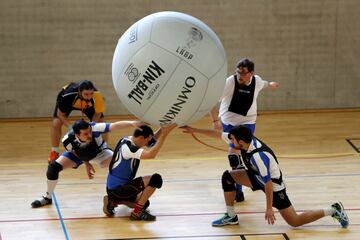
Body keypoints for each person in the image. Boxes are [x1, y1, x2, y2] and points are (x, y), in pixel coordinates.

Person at [182, 125, 349, 228]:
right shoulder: (243, 140)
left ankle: (334, 209)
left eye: (232, 140)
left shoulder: (257, 156)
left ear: (241, 142)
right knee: (228, 177)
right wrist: (193, 130)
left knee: (294, 221)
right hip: (256, 176)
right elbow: (218, 134)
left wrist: (269, 208)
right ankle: (231, 216)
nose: (230, 142)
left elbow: (268, 184)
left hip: (274, 188)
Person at [209, 58, 279, 202]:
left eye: (243, 73)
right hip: (229, 122)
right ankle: (238, 190)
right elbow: (210, 100)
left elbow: (263, 83)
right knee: (234, 154)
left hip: (248, 122)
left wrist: (270, 84)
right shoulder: (229, 82)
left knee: (246, 153)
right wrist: (215, 120)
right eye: (238, 72)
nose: (240, 75)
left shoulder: (257, 81)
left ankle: (256, 179)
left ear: (251, 73)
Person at [31, 119, 142, 208]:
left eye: (89, 131)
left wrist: (131, 123)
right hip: (80, 156)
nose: (90, 135)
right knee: (53, 168)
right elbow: (76, 153)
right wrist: (86, 163)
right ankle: (48, 197)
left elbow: (114, 126)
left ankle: (127, 194)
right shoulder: (67, 141)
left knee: (121, 164)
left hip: (100, 153)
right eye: (85, 134)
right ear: (76, 135)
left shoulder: (94, 127)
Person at [103, 123, 177, 221]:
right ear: (141, 138)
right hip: (118, 189)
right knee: (155, 179)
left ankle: (113, 201)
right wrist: (165, 134)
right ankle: (136, 213)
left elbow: (151, 141)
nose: (149, 142)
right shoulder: (129, 149)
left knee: (144, 203)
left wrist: (162, 129)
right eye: (147, 140)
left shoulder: (127, 139)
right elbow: (151, 154)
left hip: (115, 189)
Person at [49, 80, 106, 163]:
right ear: (79, 92)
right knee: (56, 123)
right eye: (86, 94)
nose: (89, 97)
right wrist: (70, 127)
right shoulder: (67, 95)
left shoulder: (97, 95)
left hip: (87, 105)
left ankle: (103, 149)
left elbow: (97, 113)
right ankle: (54, 151)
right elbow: (60, 114)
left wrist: (92, 126)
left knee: (101, 122)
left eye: (91, 94)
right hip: (69, 103)